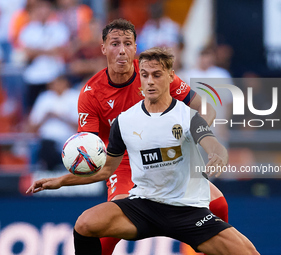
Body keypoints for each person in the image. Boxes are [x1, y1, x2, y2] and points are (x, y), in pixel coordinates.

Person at [26, 47, 259, 255]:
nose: (149, 81)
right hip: (145, 205)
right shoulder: (125, 122)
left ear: (170, 78)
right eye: (145, 75)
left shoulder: (187, 116)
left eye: (156, 75)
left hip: (186, 210)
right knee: (85, 224)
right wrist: (60, 181)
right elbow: (105, 170)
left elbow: (211, 142)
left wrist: (218, 152)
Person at [79, 18, 229, 254]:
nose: (121, 50)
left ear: (135, 47)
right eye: (115, 43)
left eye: (127, 43)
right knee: (108, 228)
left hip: (167, 154)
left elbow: (205, 108)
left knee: (218, 203)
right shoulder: (91, 93)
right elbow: (88, 146)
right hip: (124, 164)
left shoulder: (153, 73)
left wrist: (195, 137)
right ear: (104, 48)